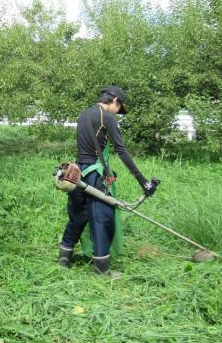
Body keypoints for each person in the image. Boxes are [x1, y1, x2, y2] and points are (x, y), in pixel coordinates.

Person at [57, 86, 158, 276]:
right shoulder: (107, 118)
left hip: (77, 172)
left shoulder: (84, 114)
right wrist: (142, 181)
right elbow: (121, 150)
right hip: (94, 176)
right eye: (119, 108)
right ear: (115, 101)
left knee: (78, 215)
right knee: (102, 218)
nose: (118, 112)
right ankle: (102, 269)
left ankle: (64, 257)